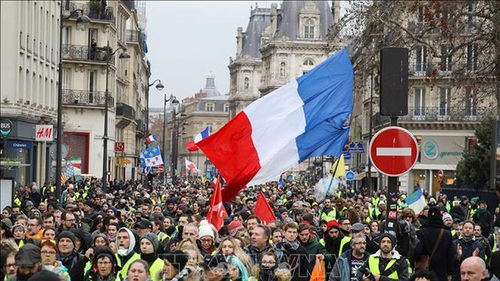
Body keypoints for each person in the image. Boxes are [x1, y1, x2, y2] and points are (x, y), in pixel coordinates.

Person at [414, 206, 454, 281]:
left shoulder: (421, 232)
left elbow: (417, 252)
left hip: (425, 272)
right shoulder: (447, 234)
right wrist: (449, 272)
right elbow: (450, 255)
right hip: (441, 271)